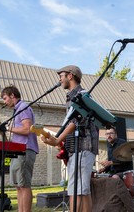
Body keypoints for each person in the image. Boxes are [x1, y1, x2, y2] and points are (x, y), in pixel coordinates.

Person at [41, 65, 99, 212]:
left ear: (70, 76)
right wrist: (61, 143)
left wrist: (59, 138)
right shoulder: (71, 97)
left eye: (61, 76)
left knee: (78, 189)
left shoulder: (82, 95)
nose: (59, 79)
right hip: (77, 149)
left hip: (84, 148)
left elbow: (77, 121)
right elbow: (71, 124)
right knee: (80, 190)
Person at [1, 85, 39, 212]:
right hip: (18, 150)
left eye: (5, 98)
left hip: (25, 149)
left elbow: (27, 129)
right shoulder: (17, 109)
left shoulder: (23, 107)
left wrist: (8, 128)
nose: (4, 102)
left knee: (24, 185)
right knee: (18, 186)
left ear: (12, 95)